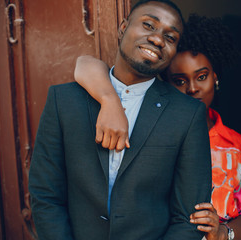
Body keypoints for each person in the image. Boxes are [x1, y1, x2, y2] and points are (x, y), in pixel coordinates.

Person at [28, 1, 212, 239]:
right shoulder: (63, 101)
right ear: (123, 27)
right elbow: (45, 194)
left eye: (170, 37)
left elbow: (190, 216)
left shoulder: (187, 115)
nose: (157, 40)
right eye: (148, 25)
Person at [74, 14, 241, 240]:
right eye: (180, 81)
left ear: (215, 78)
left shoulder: (238, 146)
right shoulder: (148, 130)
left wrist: (224, 233)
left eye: (201, 77)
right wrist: (109, 99)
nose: (193, 89)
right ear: (166, 85)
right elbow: (84, 64)